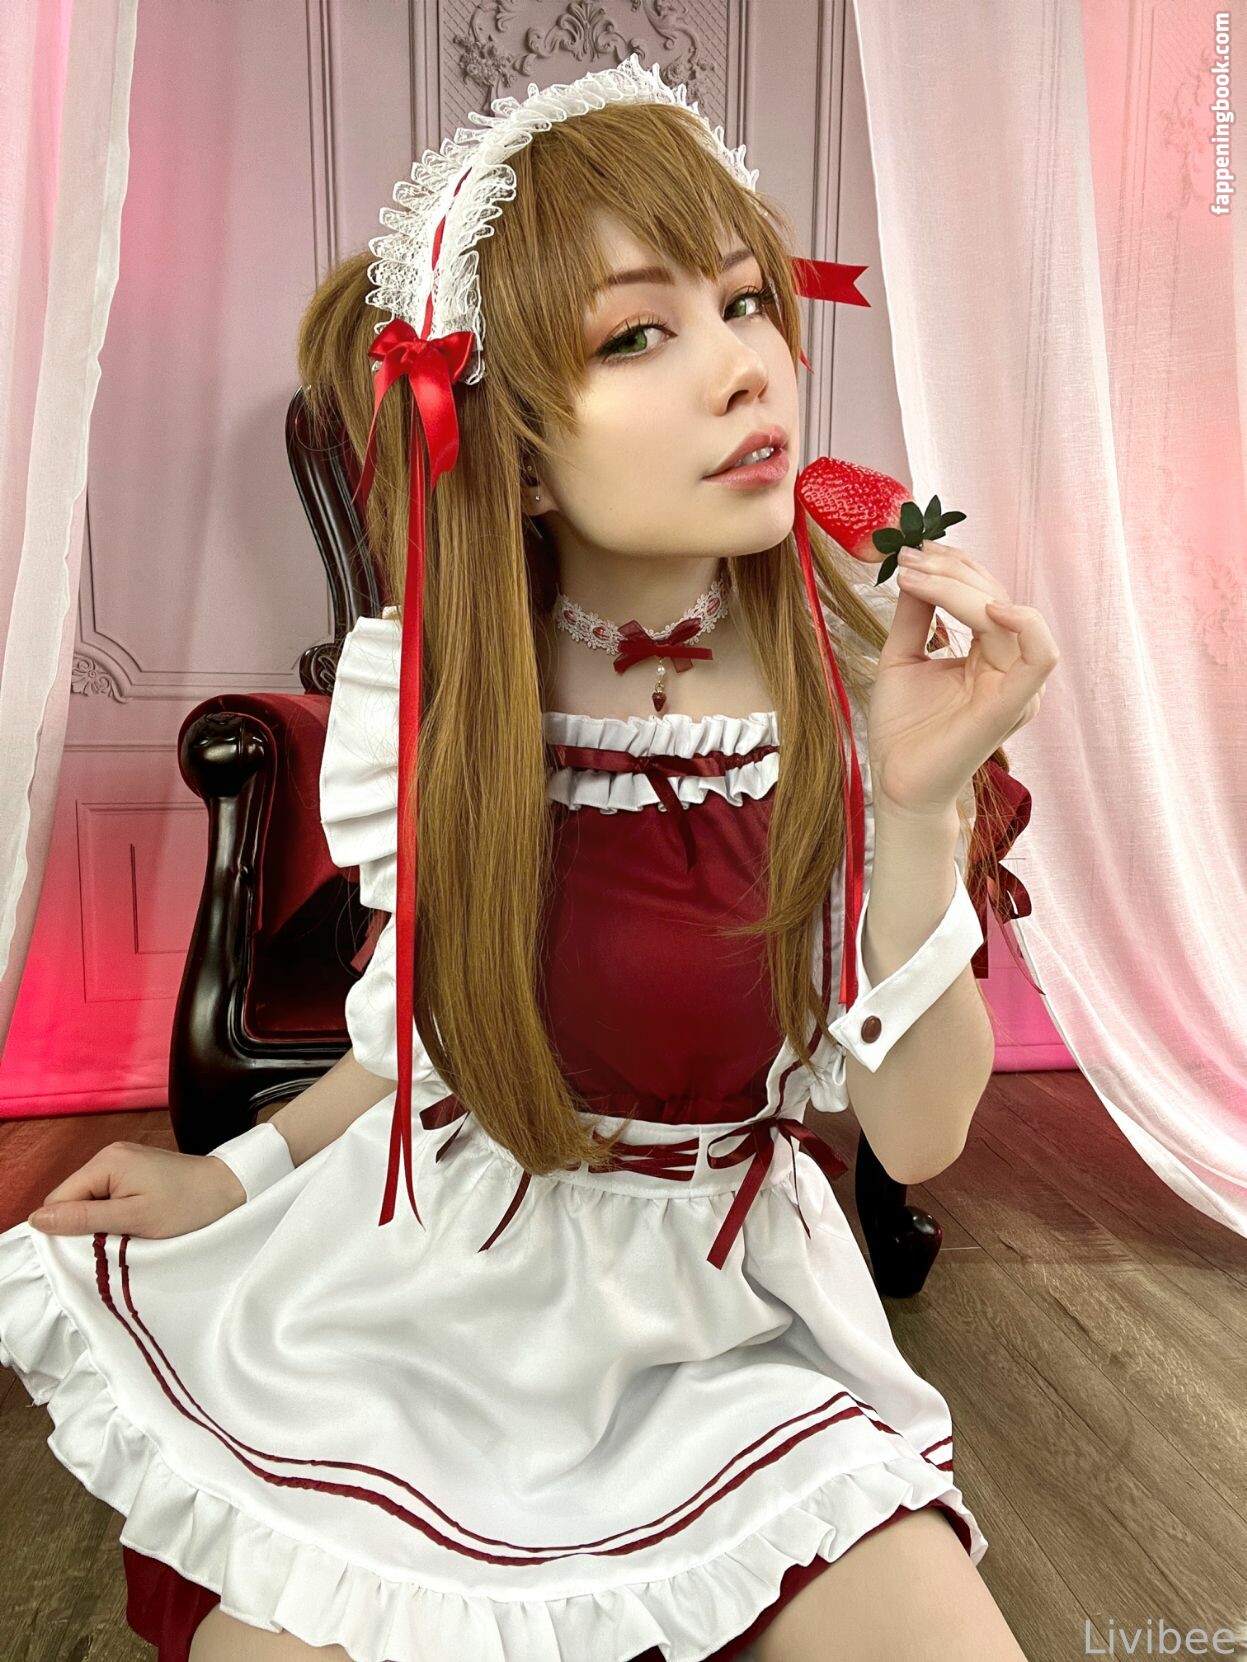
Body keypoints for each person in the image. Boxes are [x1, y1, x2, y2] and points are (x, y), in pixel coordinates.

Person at [0, 54, 1055, 1662]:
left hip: (726, 1327)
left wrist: (917, 808)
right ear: (523, 451)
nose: (744, 368)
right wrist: (230, 1175)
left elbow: (920, 1134)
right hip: (433, 1299)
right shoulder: (427, 706)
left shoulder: (862, 697)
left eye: (746, 302)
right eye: (638, 334)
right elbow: (416, 1054)